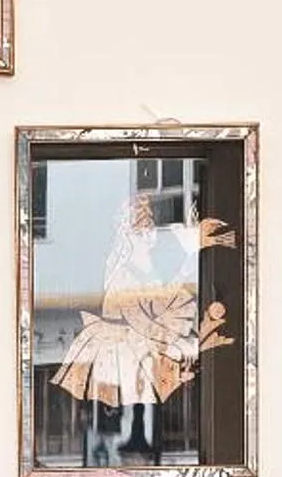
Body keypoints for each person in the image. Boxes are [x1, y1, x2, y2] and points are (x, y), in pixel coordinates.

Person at [51, 190, 235, 459]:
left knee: (143, 396)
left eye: (150, 228)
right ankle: (127, 441)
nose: (150, 236)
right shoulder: (124, 274)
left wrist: (191, 256)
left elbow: (164, 305)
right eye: (142, 230)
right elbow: (149, 319)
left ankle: (139, 439)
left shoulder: (147, 271)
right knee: (131, 396)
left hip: (140, 344)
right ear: (128, 236)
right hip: (123, 349)